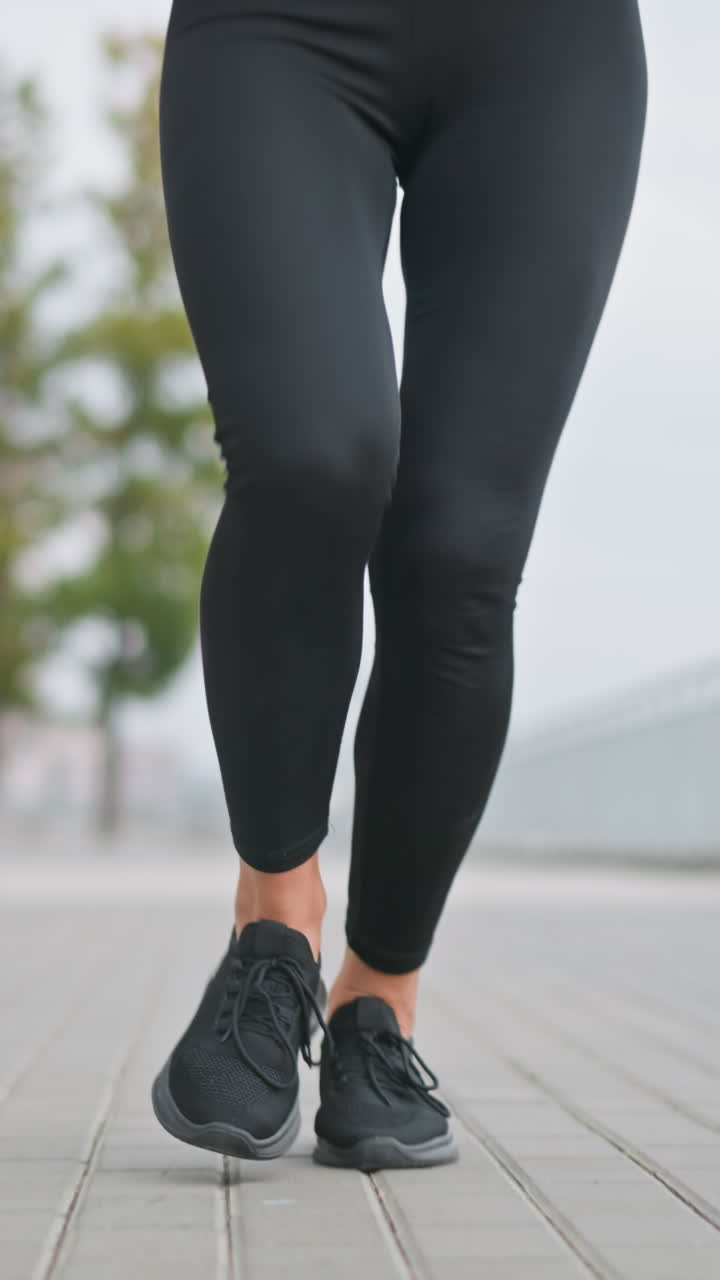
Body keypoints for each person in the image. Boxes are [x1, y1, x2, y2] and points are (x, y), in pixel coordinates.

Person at [151, 0, 648, 1171]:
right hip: (278, 28)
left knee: (461, 551)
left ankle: (378, 1004)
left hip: (551, 47)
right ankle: (278, 926)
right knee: (314, 452)